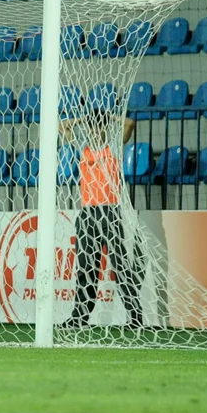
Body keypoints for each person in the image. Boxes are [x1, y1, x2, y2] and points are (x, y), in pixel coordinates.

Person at [59, 106, 144, 329]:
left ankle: (135, 318)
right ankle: (79, 318)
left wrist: (109, 118)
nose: (96, 131)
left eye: (99, 126)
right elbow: (61, 127)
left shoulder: (113, 146)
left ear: (105, 128)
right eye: (92, 127)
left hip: (110, 212)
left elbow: (130, 124)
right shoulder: (82, 148)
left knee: (120, 266)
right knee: (86, 267)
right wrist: (83, 119)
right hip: (87, 213)